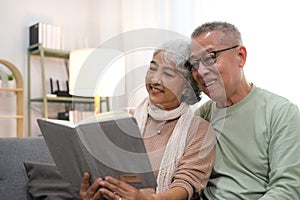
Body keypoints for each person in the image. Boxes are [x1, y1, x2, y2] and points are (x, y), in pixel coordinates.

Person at [80, 40, 216, 200]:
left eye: (168, 74)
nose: (155, 79)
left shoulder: (199, 130)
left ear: (186, 86)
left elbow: (185, 186)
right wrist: (91, 193)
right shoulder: (123, 119)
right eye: (152, 68)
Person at [188, 21, 300, 199]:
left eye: (210, 57)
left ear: (241, 56)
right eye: (194, 64)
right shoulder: (202, 116)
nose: (201, 71)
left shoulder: (280, 113)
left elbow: (288, 189)